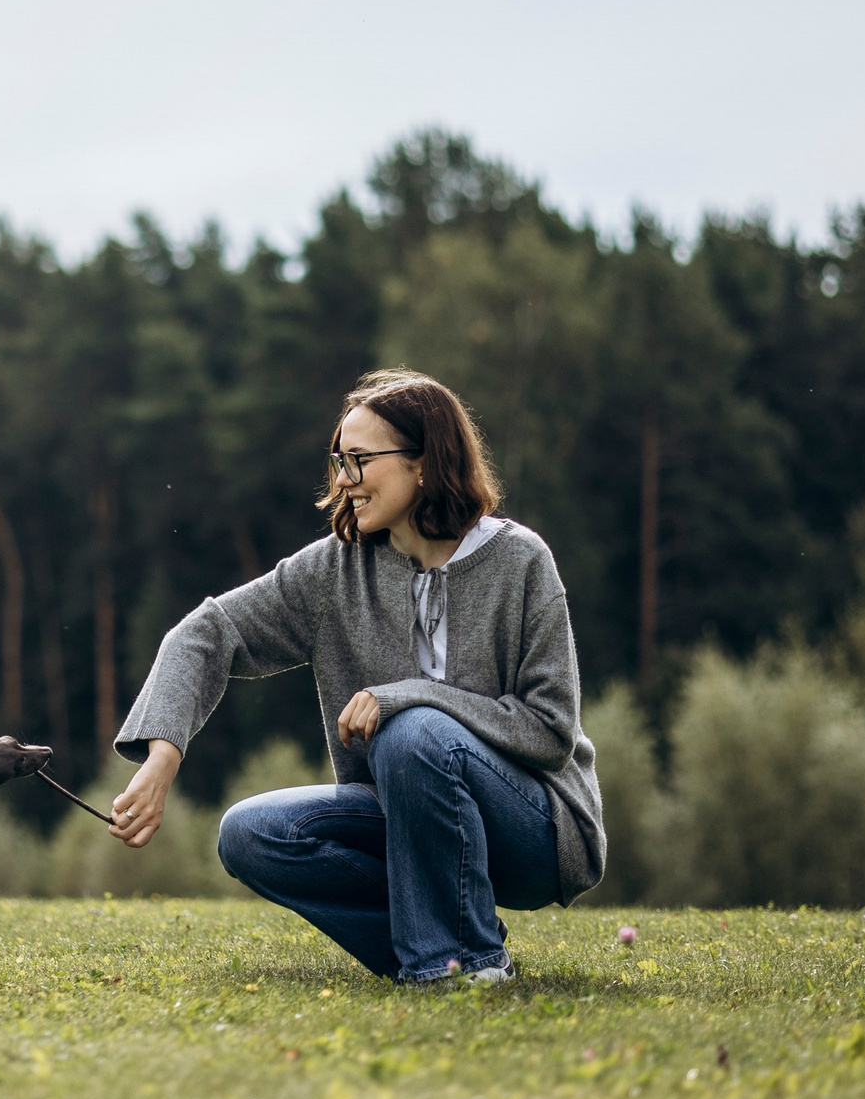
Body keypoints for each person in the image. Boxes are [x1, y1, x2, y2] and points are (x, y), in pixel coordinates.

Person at [107, 368, 602, 984]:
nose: (344, 479)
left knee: (412, 729)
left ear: (424, 462)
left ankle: (457, 965)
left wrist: (407, 698)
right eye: (339, 460)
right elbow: (206, 633)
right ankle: (452, 949)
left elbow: (551, 732)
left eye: (361, 460)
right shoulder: (335, 571)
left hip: (534, 829)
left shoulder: (521, 561)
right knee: (252, 834)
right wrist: (163, 754)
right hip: (402, 818)